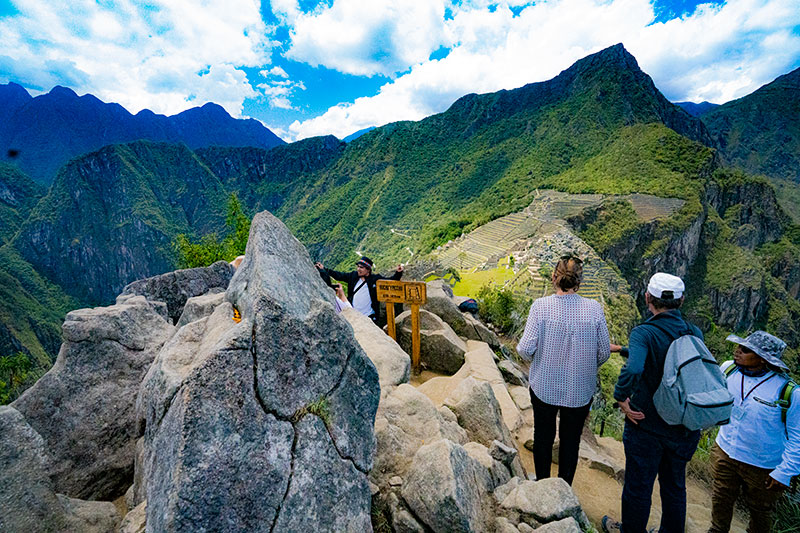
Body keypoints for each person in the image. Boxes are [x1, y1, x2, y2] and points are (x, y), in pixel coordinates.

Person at [603, 272, 703, 533]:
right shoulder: (694, 332)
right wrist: (624, 349)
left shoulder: (644, 332)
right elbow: (676, 357)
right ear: (681, 301)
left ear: (647, 297)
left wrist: (621, 398)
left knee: (639, 486)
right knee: (674, 487)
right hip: (683, 426)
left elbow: (635, 368)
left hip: (646, 425)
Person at [516, 255, 618, 485]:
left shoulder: (541, 307)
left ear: (554, 277)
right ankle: (564, 487)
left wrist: (539, 360)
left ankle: (543, 484)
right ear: (579, 282)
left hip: (544, 384)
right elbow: (603, 351)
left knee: (543, 436)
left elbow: (524, 349)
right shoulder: (594, 310)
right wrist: (583, 366)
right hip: (579, 390)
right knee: (571, 441)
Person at [709, 331, 799, 533]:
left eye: (746, 350)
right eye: (740, 346)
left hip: (762, 465)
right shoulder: (728, 369)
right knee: (721, 497)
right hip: (725, 451)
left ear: (763, 359)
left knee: (760, 511)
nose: (737, 351)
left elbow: (797, 438)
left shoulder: (788, 392)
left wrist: (784, 473)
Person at [315, 256, 403, 323]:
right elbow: (339, 275)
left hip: (369, 317)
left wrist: (398, 273)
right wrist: (324, 269)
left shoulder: (375, 279)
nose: (358, 269)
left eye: (361, 267)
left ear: (368, 270)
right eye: (358, 266)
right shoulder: (353, 276)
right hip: (354, 315)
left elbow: (390, 281)